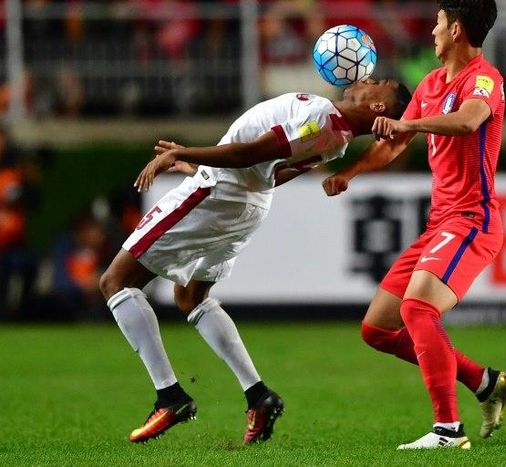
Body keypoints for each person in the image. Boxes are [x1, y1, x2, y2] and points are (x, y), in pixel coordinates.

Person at [99, 78, 412, 444]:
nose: (368, 79)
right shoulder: (337, 140)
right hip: (246, 202)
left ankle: (169, 397)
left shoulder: (322, 120)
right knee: (191, 297)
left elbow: (247, 155)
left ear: (377, 108)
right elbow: (274, 172)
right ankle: (258, 396)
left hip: (216, 193)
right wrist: (199, 167)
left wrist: (184, 154)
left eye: (379, 84)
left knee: (115, 281)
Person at [322, 0, 506, 450]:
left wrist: (411, 120)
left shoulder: (485, 79)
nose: (431, 30)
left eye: (438, 22)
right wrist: (350, 173)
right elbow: (394, 145)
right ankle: (484, 383)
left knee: (417, 310)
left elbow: (468, 122)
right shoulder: (430, 84)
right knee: (377, 328)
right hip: (440, 225)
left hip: (472, 220)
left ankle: (448, 429)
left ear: (457, 30)